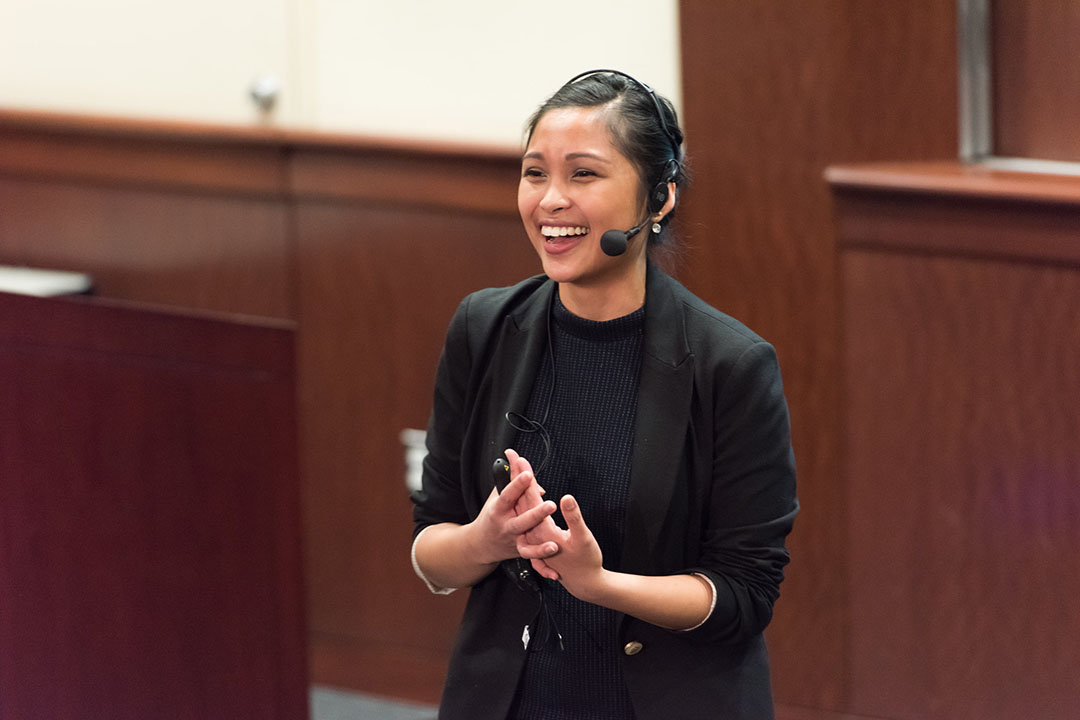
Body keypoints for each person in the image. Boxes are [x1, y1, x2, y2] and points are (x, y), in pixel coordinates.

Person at [410, 69, 798, 720]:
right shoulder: (483, 328)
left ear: (659, 198)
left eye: (583, 175)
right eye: (535, 174)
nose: (550, 201)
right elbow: (432, 551)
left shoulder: (731, 365)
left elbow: (744, 594)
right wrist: (489, 538)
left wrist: (600, 585)